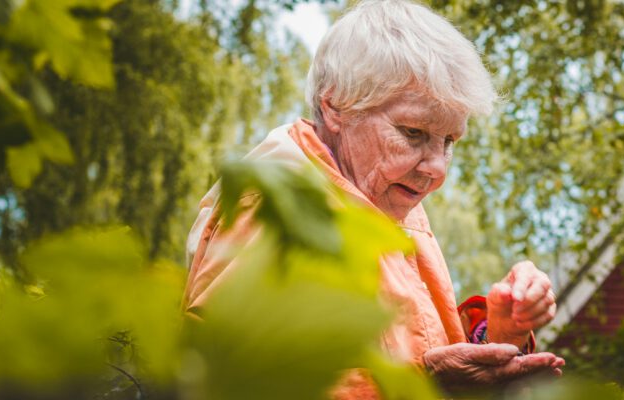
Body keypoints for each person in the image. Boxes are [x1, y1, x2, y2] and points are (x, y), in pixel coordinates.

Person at [182, 0, 564, 396]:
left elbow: (416, 348)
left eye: (449, 141)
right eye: (413, 133)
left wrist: (499, 331)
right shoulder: (274, 209)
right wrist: (421, 383)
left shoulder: (388, 199)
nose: (437, 168)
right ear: (336, 107)